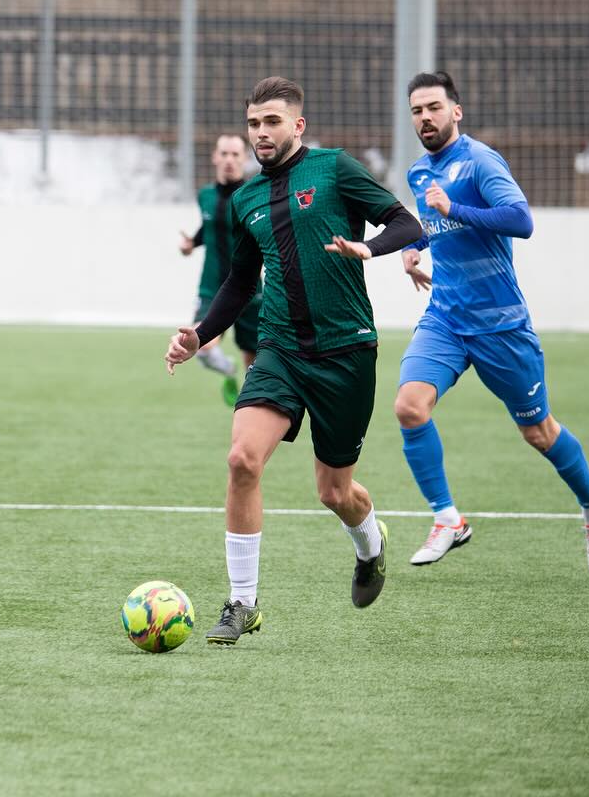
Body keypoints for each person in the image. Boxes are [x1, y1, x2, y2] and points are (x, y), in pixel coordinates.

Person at [164, 76, 423, 645]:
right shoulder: (246, 198)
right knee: (241, 460)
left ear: (297, 125)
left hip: (347, 351)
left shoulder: (334, 168)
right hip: (279, 349)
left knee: (334, 492)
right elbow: (238, 281)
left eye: (272, 122)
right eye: (253, 123)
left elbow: (408, 224)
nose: (260, 133)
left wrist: (369, 248)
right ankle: (242, 602)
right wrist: (200, 335)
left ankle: (370, 545)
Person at [395, 71, 589, 573]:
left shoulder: (480, 161)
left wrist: (457, 207)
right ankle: (448, 519)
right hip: (446, 319)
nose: (424, 118)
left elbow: (521, 220)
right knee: (410, 407)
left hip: (500, 326)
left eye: (433, 107)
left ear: (457, 111)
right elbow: (434, 224)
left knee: (539, 432)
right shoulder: (418, 172)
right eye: (416, 110)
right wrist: (413, 247)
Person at [178, 134, 261, 406]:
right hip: (212, 288)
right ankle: (226, 368)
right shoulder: (205, 196)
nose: (229, 160)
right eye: (223, 153)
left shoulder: (253, 195)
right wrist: (192, 243)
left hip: (250, 290)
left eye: (235, 154)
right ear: (214, 157)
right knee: (198, 345)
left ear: (245, 159)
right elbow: (209, 227)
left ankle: (250, 408)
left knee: (254, 361)